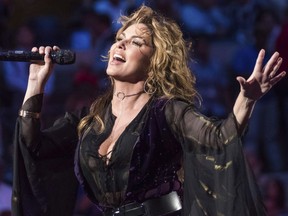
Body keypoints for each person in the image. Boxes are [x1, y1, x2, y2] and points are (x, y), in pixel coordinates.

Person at [11, 5, 286, 216]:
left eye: (136, 42)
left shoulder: (167, 111)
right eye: (121, 37)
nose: (121, 44)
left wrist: (246, 101)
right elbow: (32, 147)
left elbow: (218, 138)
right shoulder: (89, 119)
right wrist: (36, 82)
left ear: (156, 61)